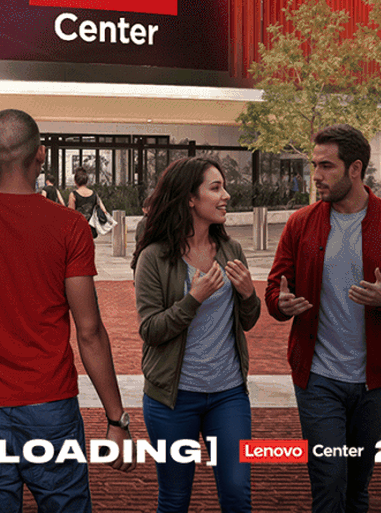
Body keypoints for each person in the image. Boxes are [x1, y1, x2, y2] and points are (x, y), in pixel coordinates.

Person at [0, 109, 134, 510]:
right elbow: (89, 330)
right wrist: (116, 418)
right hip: (50, 403)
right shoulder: (70, 227)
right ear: (41, 155)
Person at [266, 124, 381, 513]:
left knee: (357, 484)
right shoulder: (300, 224)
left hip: (374, 382)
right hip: (318, 379)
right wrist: (281, 303)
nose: (316, 176)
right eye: (314, 165)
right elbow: (274, 291)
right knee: (329, 479)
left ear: (355, 169)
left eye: (326, 166)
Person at [132, 157, 261, 513]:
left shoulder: (232, 251)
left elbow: (248, 321)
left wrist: (249, 294)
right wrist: (193, 300)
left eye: (224, 187)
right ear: (190, 198)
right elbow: (151, 330)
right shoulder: (154, 257)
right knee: (174, 499)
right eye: (215, 188)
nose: (226, 196)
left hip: (228, 395)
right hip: (172, 400)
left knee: (237, 494)